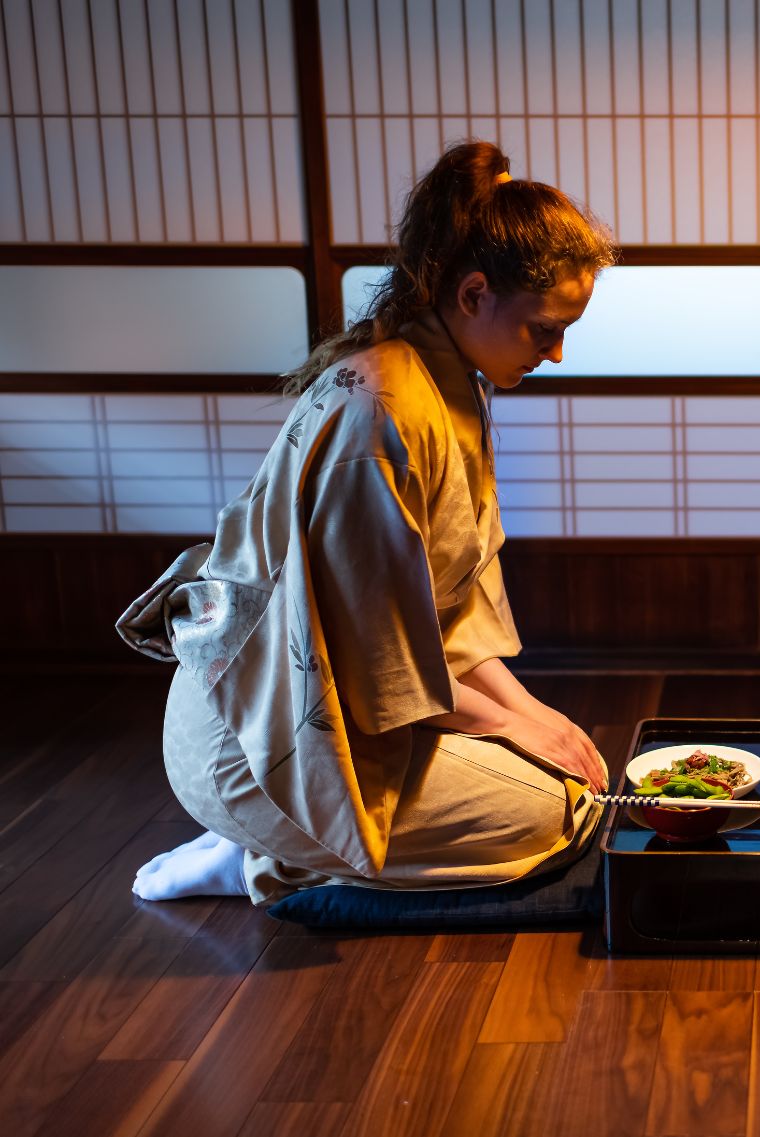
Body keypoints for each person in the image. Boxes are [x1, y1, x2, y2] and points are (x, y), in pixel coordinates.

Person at [118, 141, 619, 904]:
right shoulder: (382, 411)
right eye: (543, 328)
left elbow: (445, 620)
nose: (555, 353)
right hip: (255, 737)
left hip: (333, 710)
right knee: (556, 809)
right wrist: (516, 731)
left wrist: (534, 717)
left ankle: (270, 838)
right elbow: (367, 659)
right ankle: (259, 848)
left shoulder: (446, 381)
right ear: (474, 293)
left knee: (571, 768)